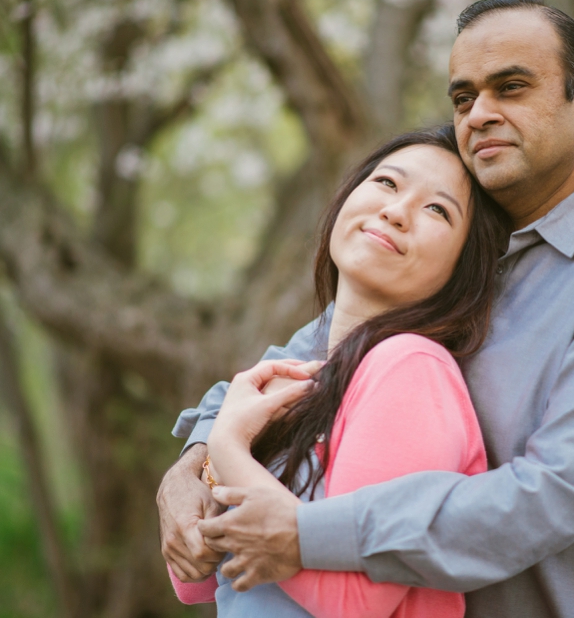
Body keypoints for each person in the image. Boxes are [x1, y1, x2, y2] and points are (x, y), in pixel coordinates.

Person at [160, 0, 574, 618]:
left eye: (511, 87)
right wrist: (194, 462)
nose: (481, 113)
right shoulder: (454, 251)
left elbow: (563, 487)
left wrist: (307, 535)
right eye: (463, 98)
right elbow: (310, 362)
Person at [165, 125, 511, 617]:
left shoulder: (412, 369)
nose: (395, 211)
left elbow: (358, 603)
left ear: (463, 267)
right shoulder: (306, 369)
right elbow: (200, 578)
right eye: (388, 183)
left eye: (437, 209)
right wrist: (200, 481)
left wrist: (227, 446)